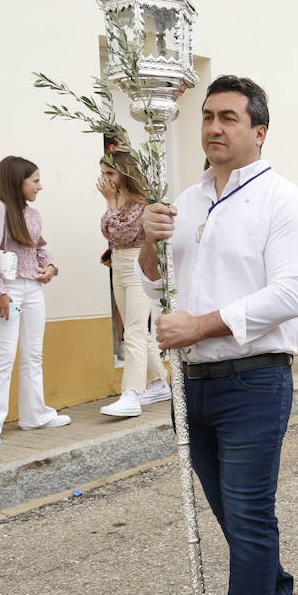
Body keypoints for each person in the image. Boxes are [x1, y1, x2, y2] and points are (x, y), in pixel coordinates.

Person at [138, 75, 298, 595]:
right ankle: (277, 594)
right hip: (193, 384)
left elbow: (289, 296)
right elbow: (164, 278)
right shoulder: (183, 200)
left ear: (258, 131)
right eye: (208, 117)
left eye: (229, 118)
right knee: (230, 510)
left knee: (245, 512)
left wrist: (201, 325)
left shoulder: (285, 202)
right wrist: (151, 244)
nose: (214, 128)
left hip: (253, 381)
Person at [0, 156, 70, 446]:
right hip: (7, 288)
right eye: (35, 180)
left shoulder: (33, 214)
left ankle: (35, 415)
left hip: (33, 290)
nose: (40, 186)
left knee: (33, 354)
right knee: (3, 355)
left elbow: (39, 246)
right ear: (18, 181)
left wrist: (50, 267)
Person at [97, 151, 170, 418]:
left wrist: (110, 203)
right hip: (120, 264)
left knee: (136, 330)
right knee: (135, 328)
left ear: (125, 174)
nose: (105, 179)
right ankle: (159, 383)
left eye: (110, 173)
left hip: (137, 266)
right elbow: (112, 235)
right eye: (103, 173)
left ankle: (132, 394)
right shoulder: (120, 201)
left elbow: (122, 232)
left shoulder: (140, 201)